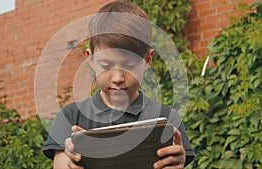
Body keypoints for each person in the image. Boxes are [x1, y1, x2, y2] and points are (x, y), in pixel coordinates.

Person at [43, 2, 195, 169]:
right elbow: (60, 164)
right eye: (106, 65)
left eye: (129, 65)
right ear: (91, 59)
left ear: (147, 60)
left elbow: (174, 160)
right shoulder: (70, 117)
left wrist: (177, 162)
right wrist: (72, 159)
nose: (117, 78)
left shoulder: (167, 119)